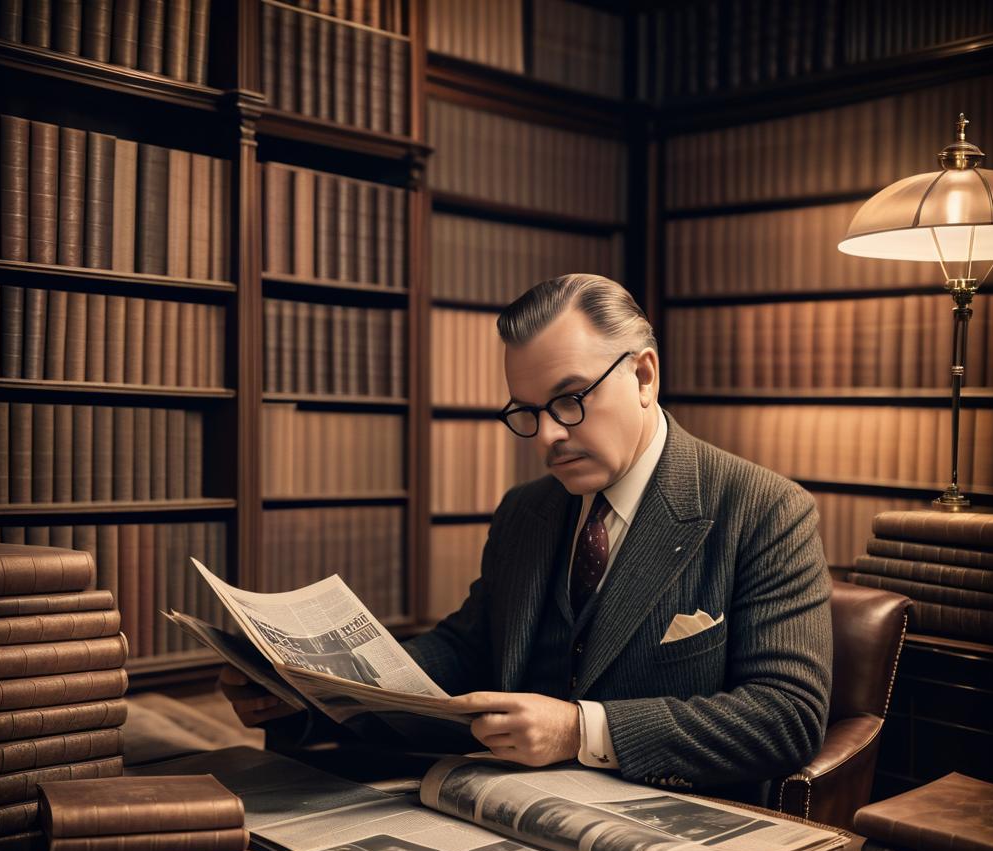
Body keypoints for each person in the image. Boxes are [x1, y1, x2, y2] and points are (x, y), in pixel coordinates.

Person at [222, 274, 832, 805]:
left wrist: (580, 731)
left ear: (644, 376)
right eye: (526, 412)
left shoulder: (766, 509)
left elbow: (786, 718)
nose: (545, 437)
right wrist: (309, 690)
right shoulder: (527, 510)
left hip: (673, 820)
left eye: (569, 401)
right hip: (501, 800)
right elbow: (467, 651)